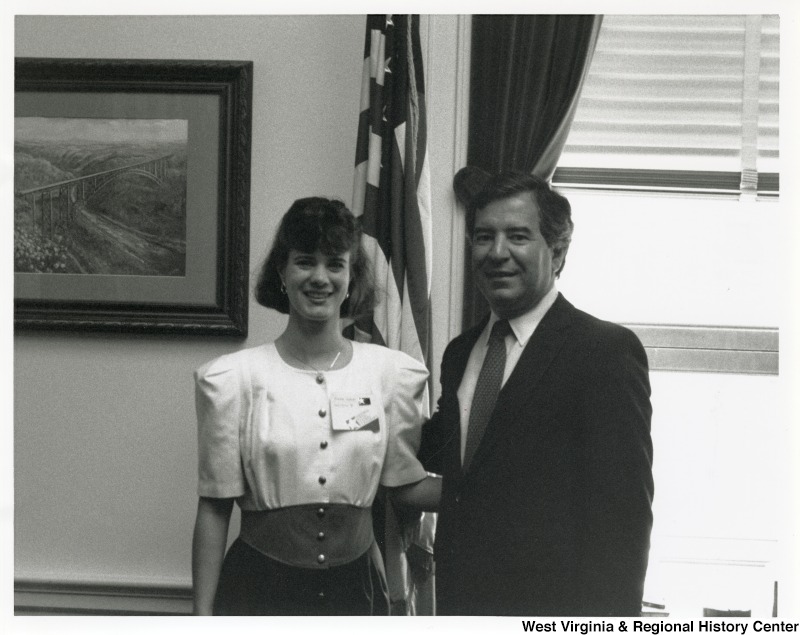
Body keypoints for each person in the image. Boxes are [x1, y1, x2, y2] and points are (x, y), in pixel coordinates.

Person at [418, 169, 654, 616]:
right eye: (484, 237)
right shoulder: (460, 353)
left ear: (558, 251)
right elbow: (452, 459)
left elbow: (622, 523)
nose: (497, 252)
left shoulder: (604, 352)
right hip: (458, 605)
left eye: (518, 236)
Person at [191, 196, 440, 615]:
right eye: (305, 261)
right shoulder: (234, 379)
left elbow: (404, 486)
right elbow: (214, 511)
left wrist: (484, 488)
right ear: (282, 274)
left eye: (335, 264)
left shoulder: (390, 375)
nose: (320, 278)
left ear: (351, 277)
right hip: (258, 591)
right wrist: (201, 621)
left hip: (357, 593)